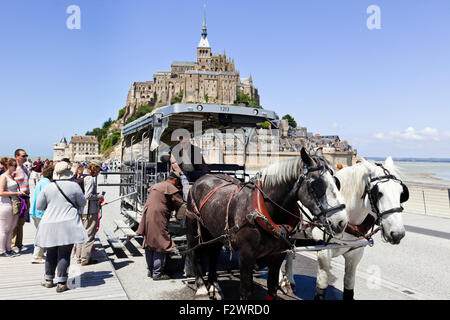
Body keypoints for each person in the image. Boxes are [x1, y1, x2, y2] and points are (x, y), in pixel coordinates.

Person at [35, 161, 88, 292]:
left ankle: (48, 279)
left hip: (49, 223)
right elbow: (83, 202)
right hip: (68, 223)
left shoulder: (48, 187)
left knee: (51, 252)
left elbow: (39, 206)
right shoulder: (74, 186)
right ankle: (62, 282)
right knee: (64, 253)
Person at [136, 172, 185, 280]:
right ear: (175, 180)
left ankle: (150, 271)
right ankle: (157, 274)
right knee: (160, 244)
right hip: (158, 216)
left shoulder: (158, 185)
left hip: (148, 214)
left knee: (149, 243)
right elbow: (181, 204)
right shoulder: (169, 187)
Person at [76, 161, 103, 266]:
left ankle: (79, 257)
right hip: (89, 211)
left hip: (80, 209)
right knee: (89, 235)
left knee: (81, 235)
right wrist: (99, 196)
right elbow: (88, 195)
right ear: (95, 169)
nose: (98, 173)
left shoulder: (81, 176)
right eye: (98, 171)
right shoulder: (90, 179)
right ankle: (85, 259)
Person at [0, 158, 26, 257]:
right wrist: (16, 193)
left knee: (11, 228)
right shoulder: (3, 176)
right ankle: (2, 250)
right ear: (8, 166)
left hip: (14, 203)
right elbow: (1, 192)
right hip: (5, 204)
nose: (16, 167)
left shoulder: (11, 176)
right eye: (14, 165)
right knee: (4, 229)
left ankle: (8, 249)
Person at [170, 136, 209, 200]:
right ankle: (187, 200)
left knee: (206, 176)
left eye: (187, 141)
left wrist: (206, 170)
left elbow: (200, 162)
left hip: (193, 171)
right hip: (179, 172)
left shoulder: (193, 149)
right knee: (185, 179)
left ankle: (206, 197)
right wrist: (181, 172)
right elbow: (174, 163)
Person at [29, 165, 54, 264]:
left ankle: (40, 253)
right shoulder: (47, 184)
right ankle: (36, 256)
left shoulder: (41, 182)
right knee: (42, 234)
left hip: (34, 211)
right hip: (41, 213)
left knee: (40, 233)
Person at [11, 149, 31, 254]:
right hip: (17, 198)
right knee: (15, 223)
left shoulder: (25, 168)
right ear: (17, 156)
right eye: (23, 156)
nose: (25, 157)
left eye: (26, 155)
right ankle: (13, 244)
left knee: (21, 223)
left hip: (26, 197)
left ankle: (19, 243)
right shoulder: (13, 169)